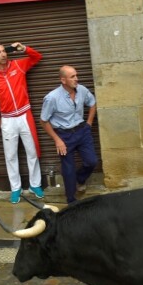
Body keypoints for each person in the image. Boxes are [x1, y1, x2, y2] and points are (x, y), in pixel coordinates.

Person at [0, 42, 44, 204]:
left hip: (25, 115)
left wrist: (22, 48)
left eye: (4, 51)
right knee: (10, 156)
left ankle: (35, 185)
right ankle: (15, 188)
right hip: (8, 119)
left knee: (32, 152)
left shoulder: (19, 64)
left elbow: (37, 57)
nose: (3, 54)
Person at [40, 65, 98, 204]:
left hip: (82, 131)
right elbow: (43, 121)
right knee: (68, 169)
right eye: (72, 77)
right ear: (63, 80)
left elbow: (92, 103)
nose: (76, 79)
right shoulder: (52, 98)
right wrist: (57, 140)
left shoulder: (82, 90)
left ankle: (80, 178)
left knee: (92, 161)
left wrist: (89, 123)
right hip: (64, 136)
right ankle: (71, 200)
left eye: (76, 75)